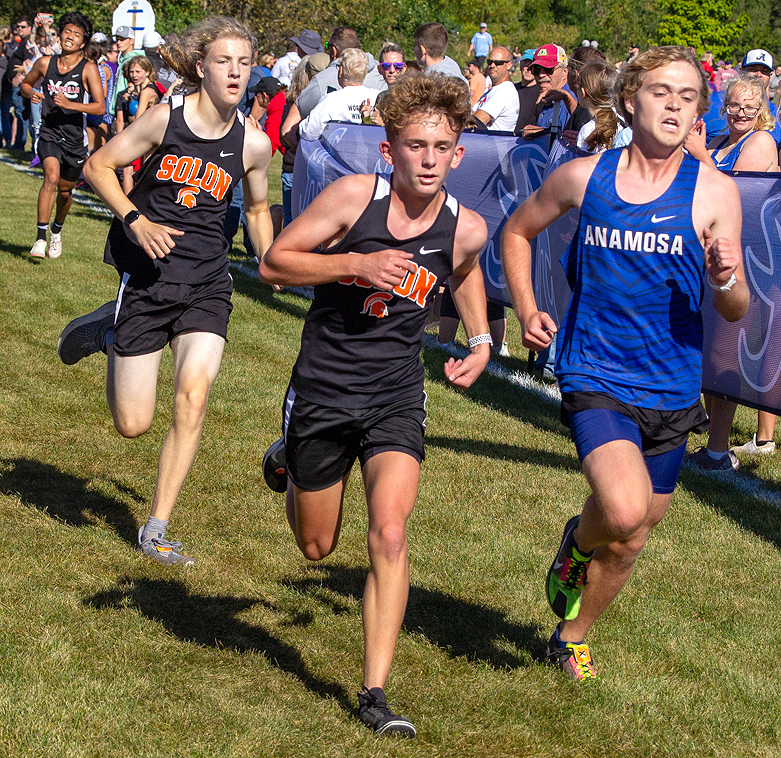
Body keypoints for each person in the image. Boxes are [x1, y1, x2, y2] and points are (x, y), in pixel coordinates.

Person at [501, 46, 749, 680]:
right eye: (662, 92)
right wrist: (527, 309)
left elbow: (737, 309)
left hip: (672, 388)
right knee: (623, 507)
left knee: (635, 535)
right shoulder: (585, 177)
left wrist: (725, 278)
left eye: (689, 96)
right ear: (631, 99)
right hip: (597, 374)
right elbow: (516, 231)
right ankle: (577, 544)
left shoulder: (715, 191)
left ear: (701, 111)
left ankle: (571, 634)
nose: (674, 105)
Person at [259, 72, 490, 735]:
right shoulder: (352, 198)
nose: (426, 157)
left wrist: (478, 340)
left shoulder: (464, 227)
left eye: (439, 147)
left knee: (388, 532)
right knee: (316, 545)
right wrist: (352, 266)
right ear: (388, 151)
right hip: (325, 389)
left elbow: (465, 270)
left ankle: (374, 695)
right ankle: (292, 460)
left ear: (456, 156)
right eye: (413, 145)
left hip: (395, 393)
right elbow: (275, 263)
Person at [56, 16, 273, 566]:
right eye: (223, 61)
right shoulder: (163, 119)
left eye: (243, 63)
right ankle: (110, 328)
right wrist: (135, 219)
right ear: (201, 67)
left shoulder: (253, 144)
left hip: (206, 282)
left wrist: (270, 261)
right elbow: (98, 164)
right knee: (133, 425)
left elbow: (257, 208)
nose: (235, 72)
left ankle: (156, 528)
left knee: (193, 398)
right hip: (150, 280)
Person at [684, 73, 780, 469]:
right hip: (711, 253)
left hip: (749, 263)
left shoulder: (760, 142)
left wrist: (700, 155)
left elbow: (735, 193)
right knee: (708, 345)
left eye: (749, 107)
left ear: (762, 112)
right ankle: (710, 439)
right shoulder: (722, 140)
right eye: (734, 106)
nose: (740, 113)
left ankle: (718, 453)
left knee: (726, 350)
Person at [22, 12, 104, 259]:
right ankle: (39, 238)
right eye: (67, 32)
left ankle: (56, 230)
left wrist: (72, 105)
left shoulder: (88, 68)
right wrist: (31, 93)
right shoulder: (45, 63)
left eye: (76, 34)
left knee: (66, 192)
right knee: (51, 177)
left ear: (83, 43)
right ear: (60, 35)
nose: (70, 37)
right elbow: (26, 84)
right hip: (48, 131)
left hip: (74, 139)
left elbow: (100, 106)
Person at [298, 48, 378, 140]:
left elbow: (308, 132)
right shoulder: (378, 97)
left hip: (340, 153)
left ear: (341, 71)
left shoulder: (331, 100)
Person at [473, 46, 519, 131]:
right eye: (490, 62)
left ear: (509, 65)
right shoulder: (494, 90)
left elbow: (474, 122)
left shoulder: (504, 91)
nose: (492, 66)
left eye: (498, 63)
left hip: (492, 142)